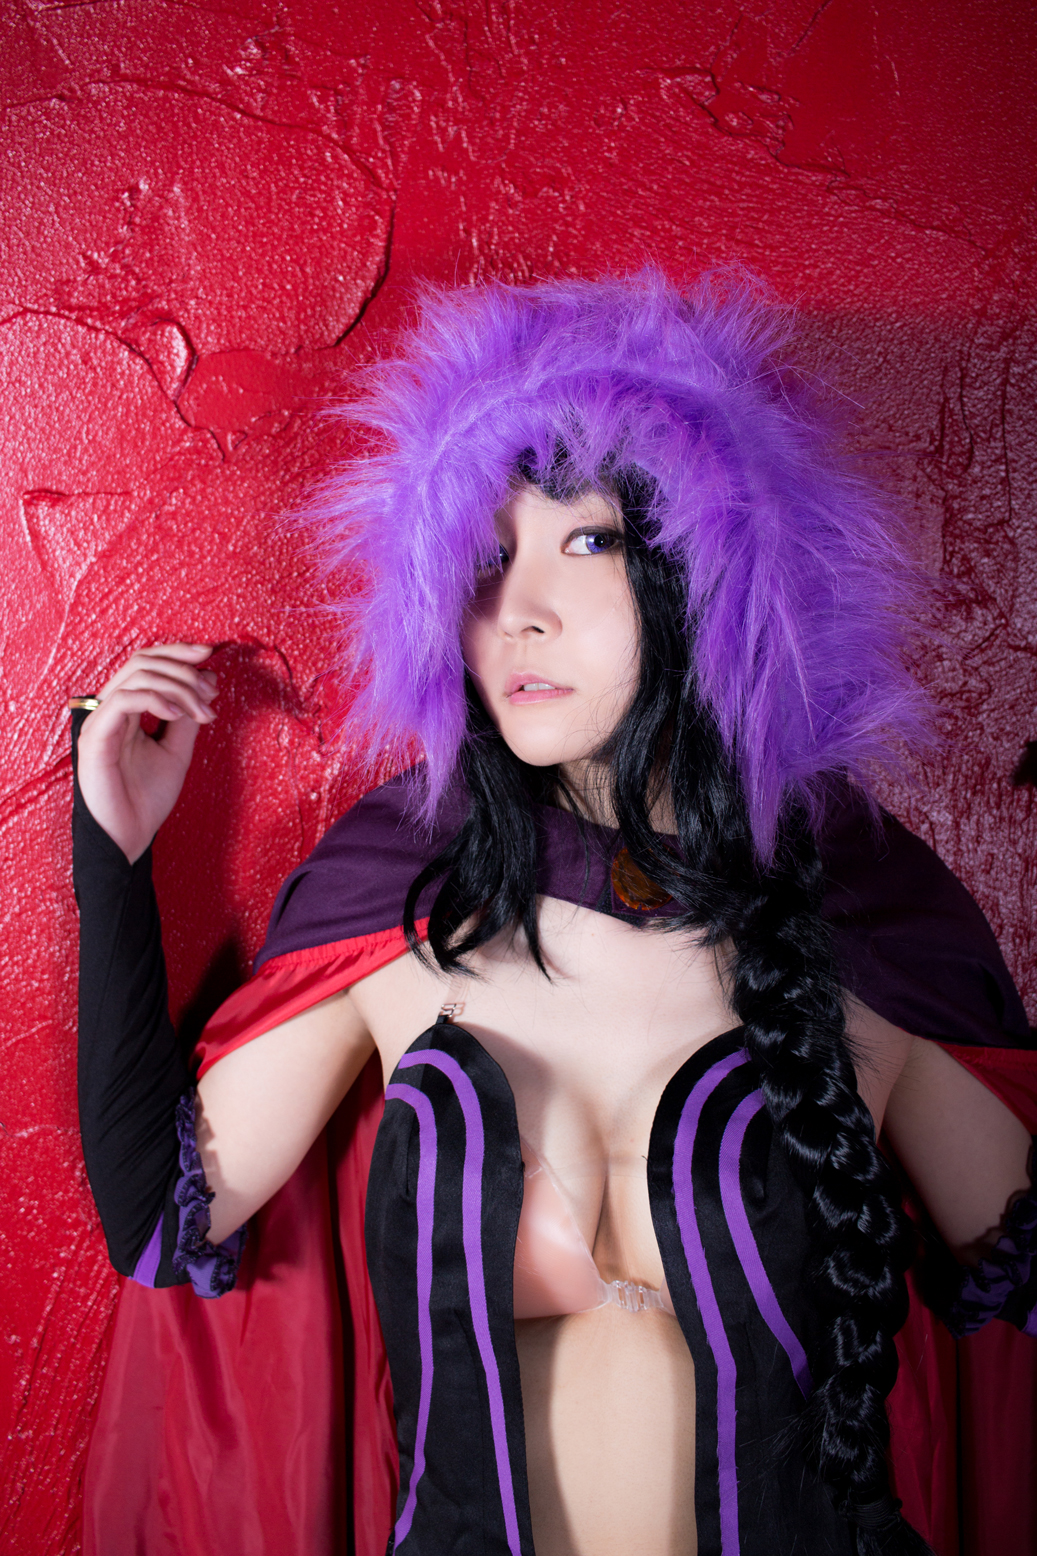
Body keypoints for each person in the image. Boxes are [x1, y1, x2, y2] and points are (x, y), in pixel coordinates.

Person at [71, 272, 1036, 1556]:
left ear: (713, 565)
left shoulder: (867, 903)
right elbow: (160, 1218)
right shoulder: (397, 892)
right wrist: (113, 854)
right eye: (483, 554)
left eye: (585, 540)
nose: (514, 609)